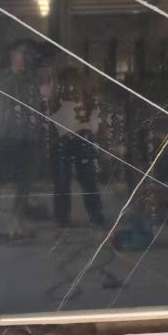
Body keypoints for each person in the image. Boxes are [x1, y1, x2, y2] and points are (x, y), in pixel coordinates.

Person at [0, 41, 38, 240]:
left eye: (29, 54)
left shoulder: (33, 80)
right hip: (3, 136)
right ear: (13, 55)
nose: (26, 57)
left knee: (24, 184)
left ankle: (16, 223)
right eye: (23, 53)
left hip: (26, 138)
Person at [43, 67, 105, 227]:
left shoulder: (79, 90)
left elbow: (91, 109)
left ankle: (89, 215)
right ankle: (78, 216)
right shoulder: (62, 91)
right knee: (70, 179)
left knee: (82, 178)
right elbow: (52, 108)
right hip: (69, 137)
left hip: (77, 136)